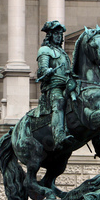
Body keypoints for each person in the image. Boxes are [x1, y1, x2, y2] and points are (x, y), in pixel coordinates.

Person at [36, 20, 74, 150]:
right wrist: (47, 71)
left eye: (60, 34)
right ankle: (59, 136)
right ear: (50, 35)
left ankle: (99, 141)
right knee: (59, 103)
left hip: (67, 85)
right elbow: (41, 70)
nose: (59, 36)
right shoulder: (45, 50)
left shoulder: (63, 53)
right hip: (54, 87)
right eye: (56, 34)